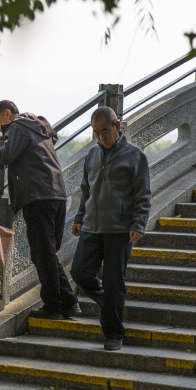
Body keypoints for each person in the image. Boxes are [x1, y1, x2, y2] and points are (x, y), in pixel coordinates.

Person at [70, 107, 151, 351]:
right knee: (80, 272)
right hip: (92, 227)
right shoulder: (92, 154)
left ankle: (114, 333)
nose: (101, 137)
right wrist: (79, 217)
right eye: (96, 133)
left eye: (104, 131)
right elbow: (86, 189)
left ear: (117, 126)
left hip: (120, 229)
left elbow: (143, 194)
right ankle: (110, 304)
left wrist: (139, 224)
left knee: (114, 281)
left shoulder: (135, 155)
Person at [0, 100, 80, 319]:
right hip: (56, 194)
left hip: (37, 196)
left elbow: (4, 156)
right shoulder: (39, 127)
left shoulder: (18, 127)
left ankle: (53, 306)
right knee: (45, 254)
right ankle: (69, 302)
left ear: (7, 113)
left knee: (43, 254)